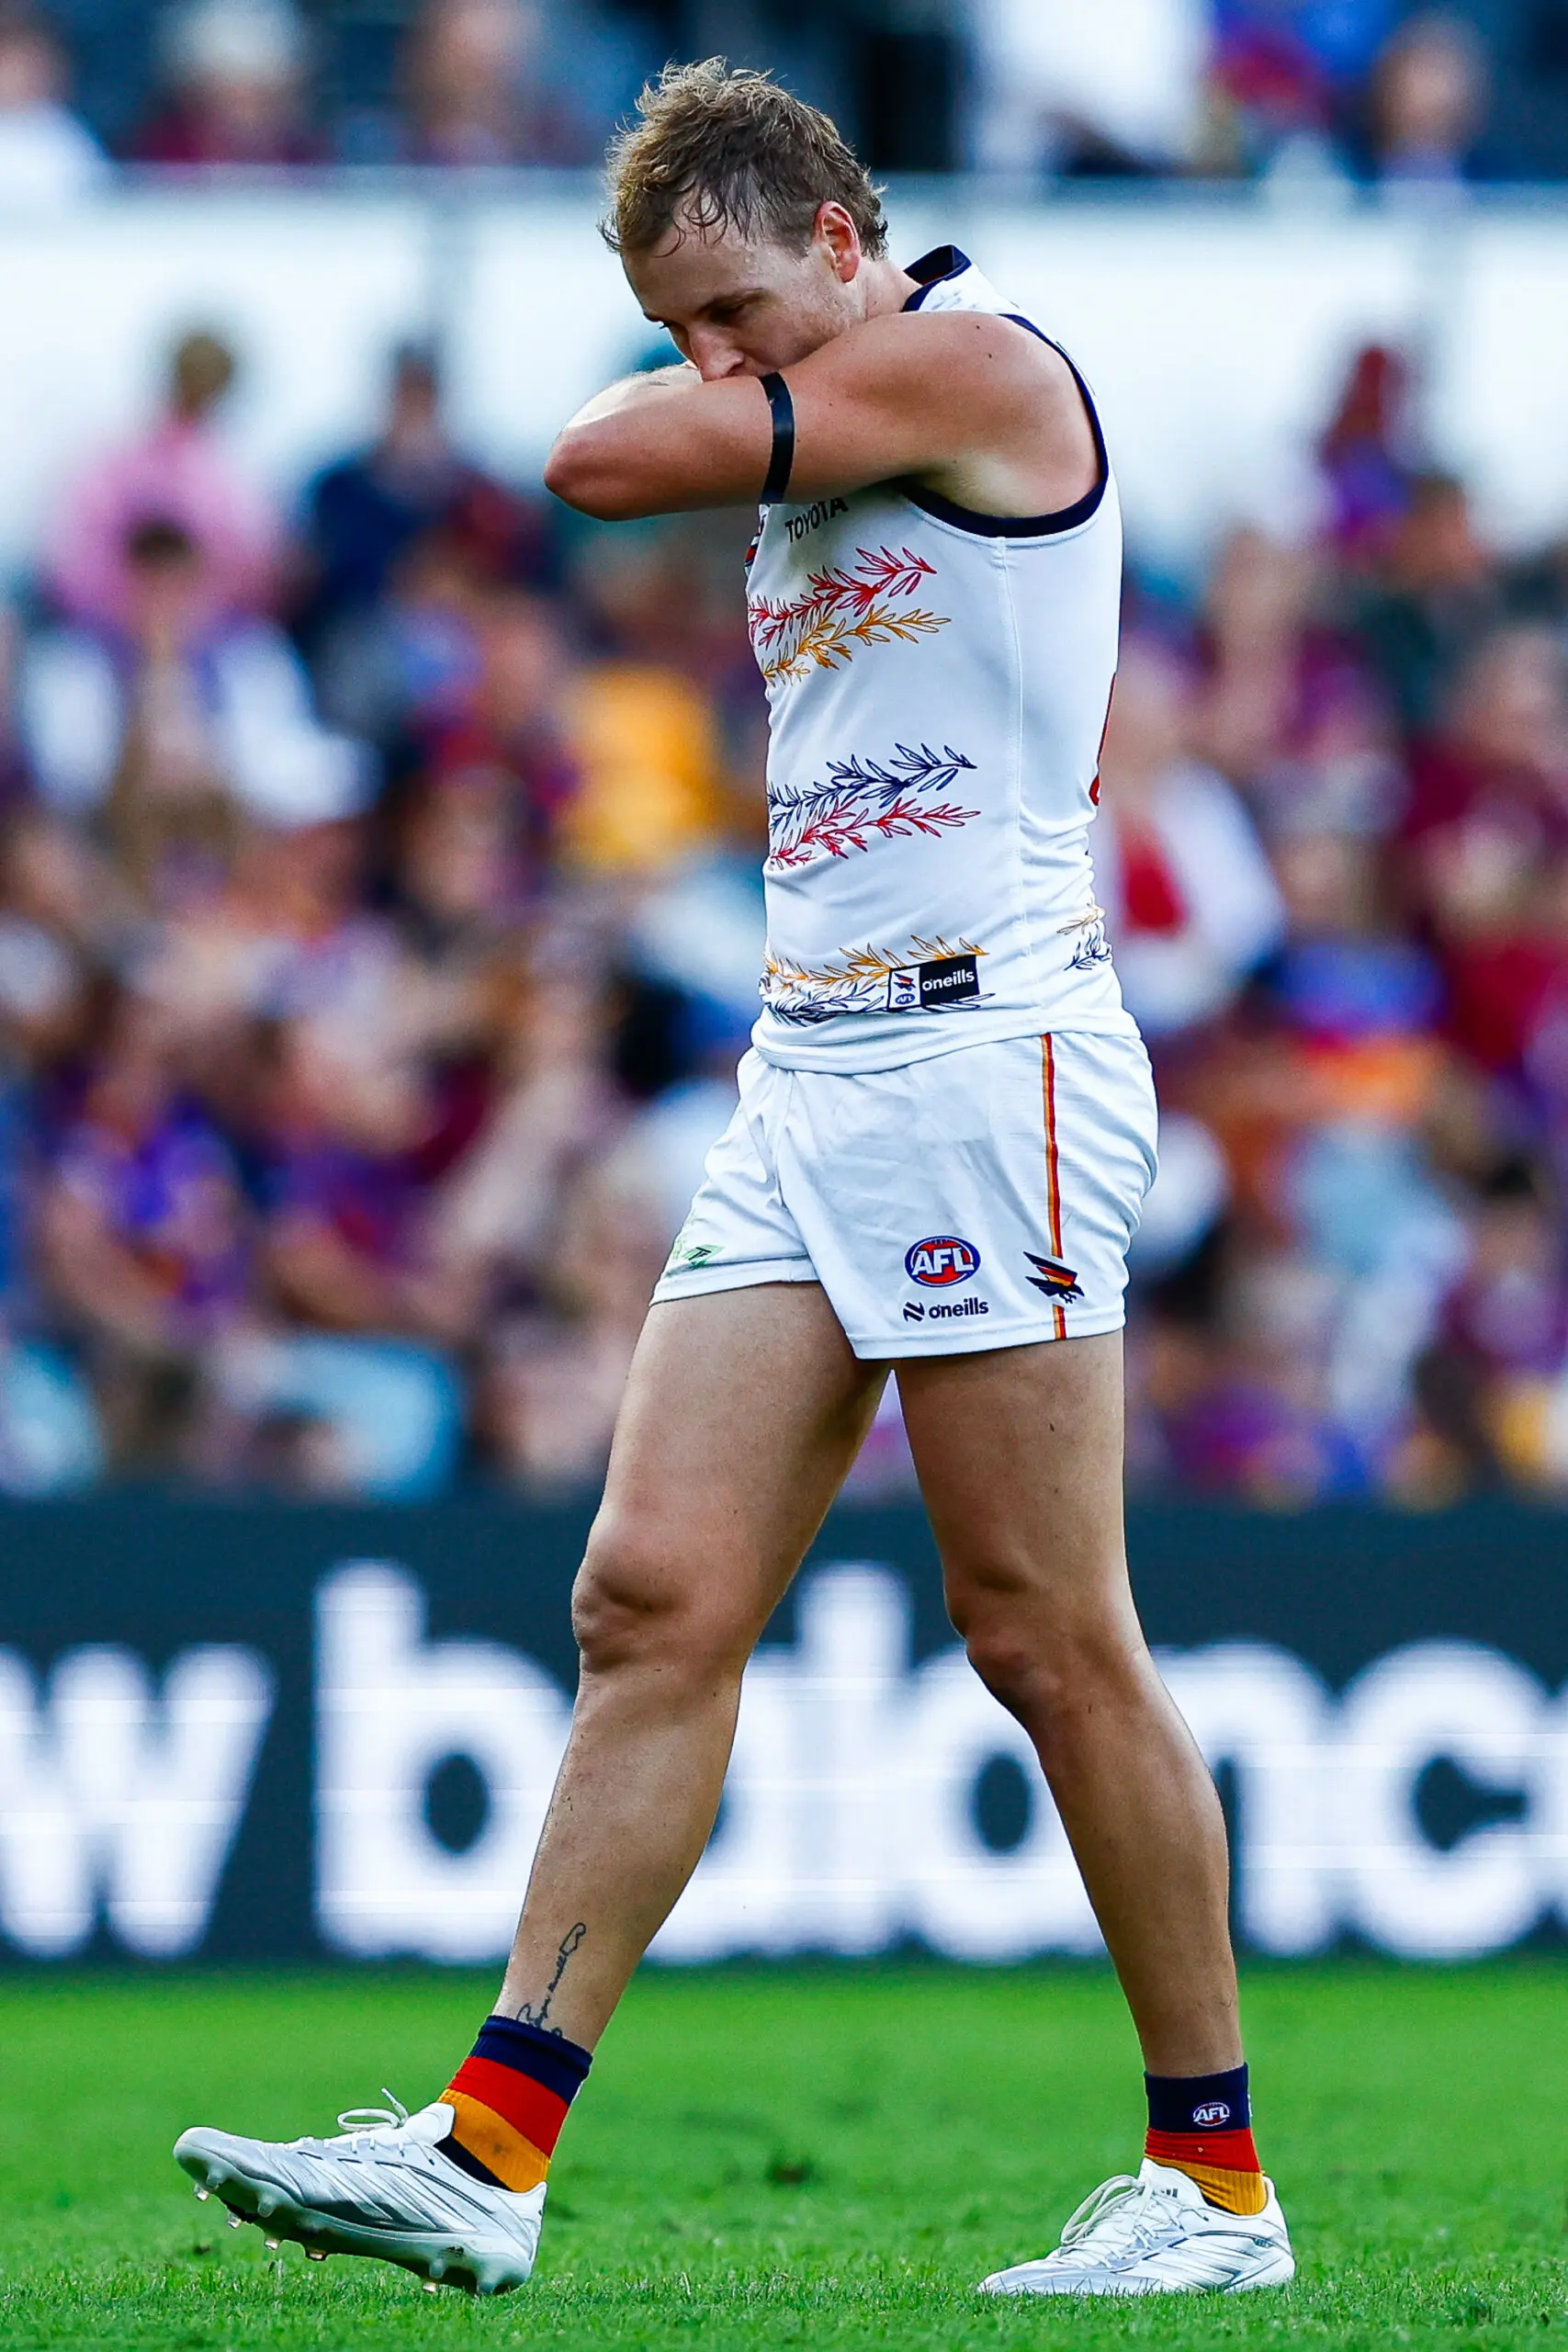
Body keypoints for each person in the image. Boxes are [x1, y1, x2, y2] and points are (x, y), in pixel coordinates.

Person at [173, 60, 1295, 2301]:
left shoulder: (972, 364)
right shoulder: (821, 386)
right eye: (675, 320)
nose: (715, 360)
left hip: (991, 1048)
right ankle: (490, 2143)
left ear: (847, 238)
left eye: (736, 304)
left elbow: (589, 461)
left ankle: (1216, 2186)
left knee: (1043, 1629)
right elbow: (637, 436)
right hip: (815, 1061)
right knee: (648, 1595)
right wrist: (723, 356)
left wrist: (700, 382)